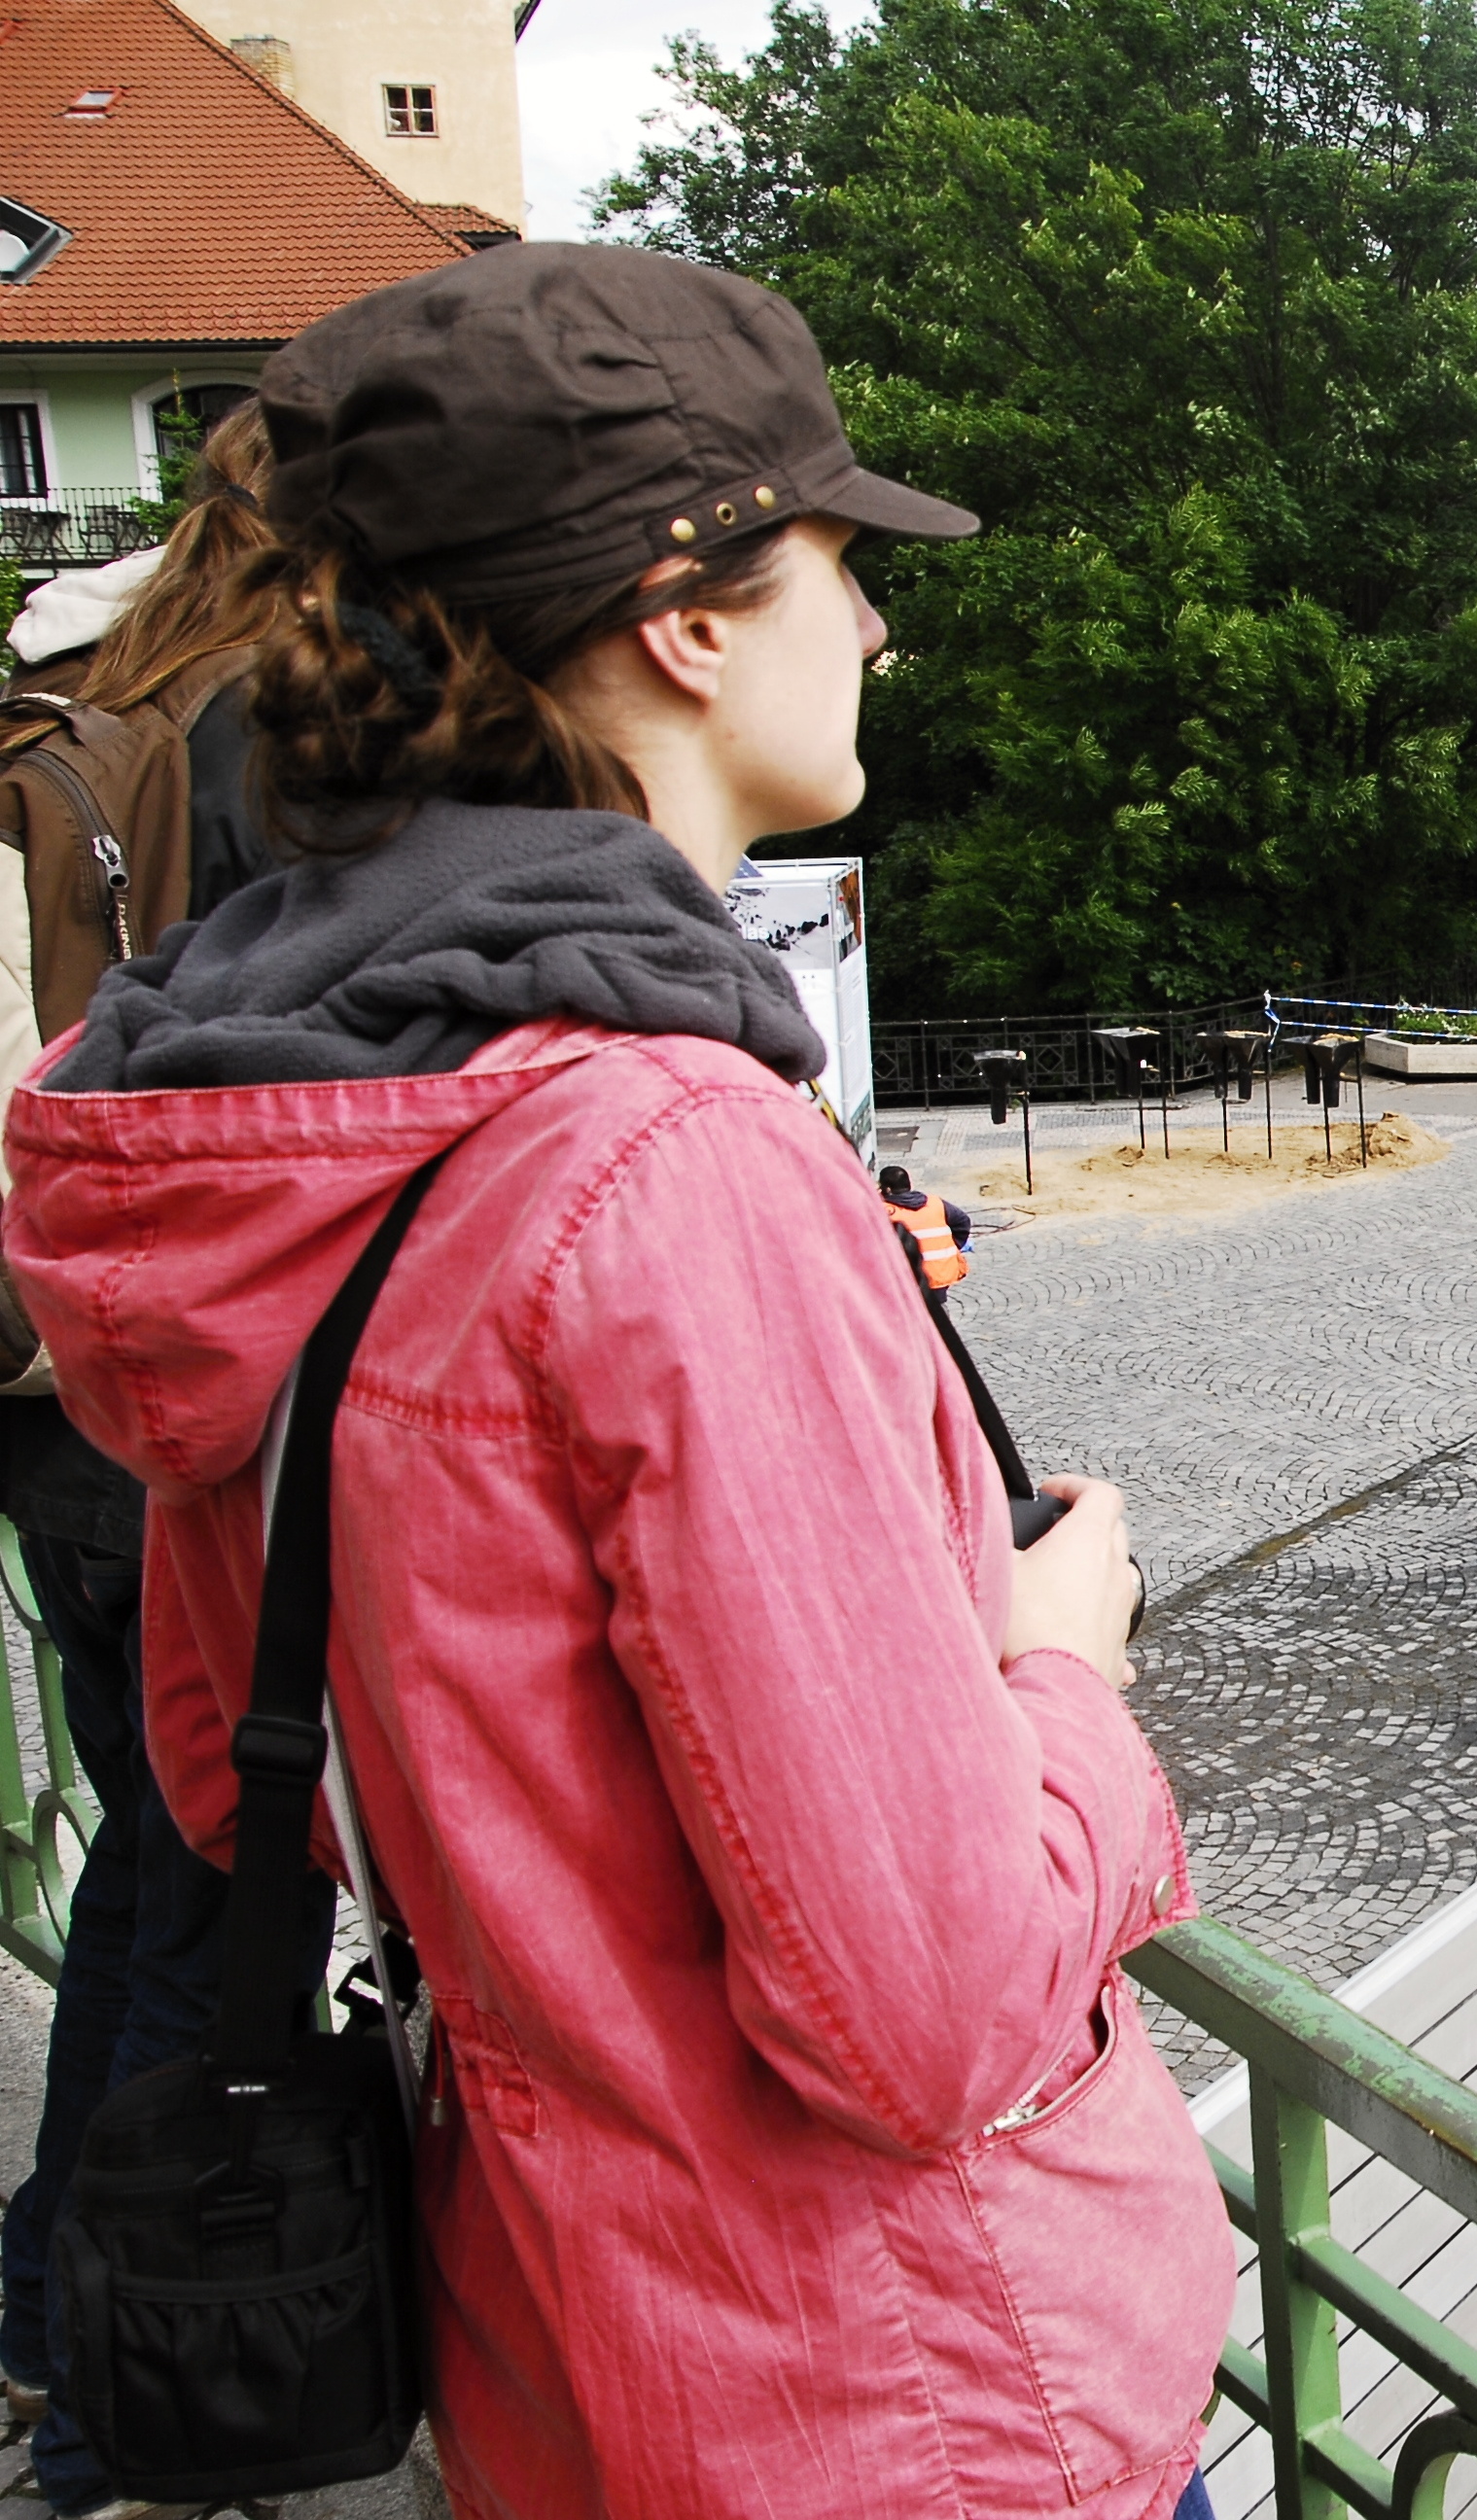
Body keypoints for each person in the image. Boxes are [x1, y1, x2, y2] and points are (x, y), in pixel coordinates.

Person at [3, 246, 1229, 2520]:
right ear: (686, 612)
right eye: (842, 566)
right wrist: (1065, 1681)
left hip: (557, 2352)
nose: (873, 628)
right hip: (896, 2410)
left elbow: (223, 1759)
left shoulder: (277, 1097)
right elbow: (920, 2005)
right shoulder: (660, 1154)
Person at [0, 408, 299, 2520]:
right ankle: (107, 2417)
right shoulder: (262, 724)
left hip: (36, 1386)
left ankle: (35, 2320)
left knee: (139, 1860)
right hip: (175, 1396)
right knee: (209, 1897)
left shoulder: (76, 695)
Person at [877, 1160, 970, 1292]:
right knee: (938, 1308)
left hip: (908, 1276)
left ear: (887, 1189)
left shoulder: (885, 1211)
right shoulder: (935, 1203)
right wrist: (954, 1245)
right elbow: (963, 1221)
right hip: (939, 1271)